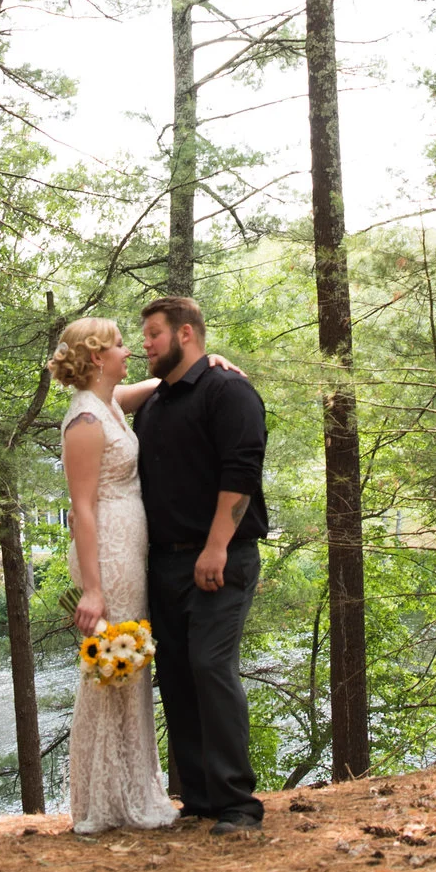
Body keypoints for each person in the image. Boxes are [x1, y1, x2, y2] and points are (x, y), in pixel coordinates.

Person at [132, 295, 267, 836]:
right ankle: (200, 799)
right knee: (178, 676)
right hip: (162, 565)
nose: (145, 343)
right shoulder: (156, 404)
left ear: (186, 334)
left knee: (211, 668)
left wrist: (215, 546)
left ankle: (238, 805)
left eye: (153, 334)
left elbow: (242, 469)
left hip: (221, 556)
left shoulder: (228, 390)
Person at [52, 317, 176, 834]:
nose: (131, 351)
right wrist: (93, 590)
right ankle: (105, 800)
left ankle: (130, 789)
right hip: (109, 553)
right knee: (113, 669)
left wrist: (205, 364)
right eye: (122, 345)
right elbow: (81, 509)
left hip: (129, 548)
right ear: (99, 357)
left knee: (130, 666)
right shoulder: (84, 421)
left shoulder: (107, 404)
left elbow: (142, 387)